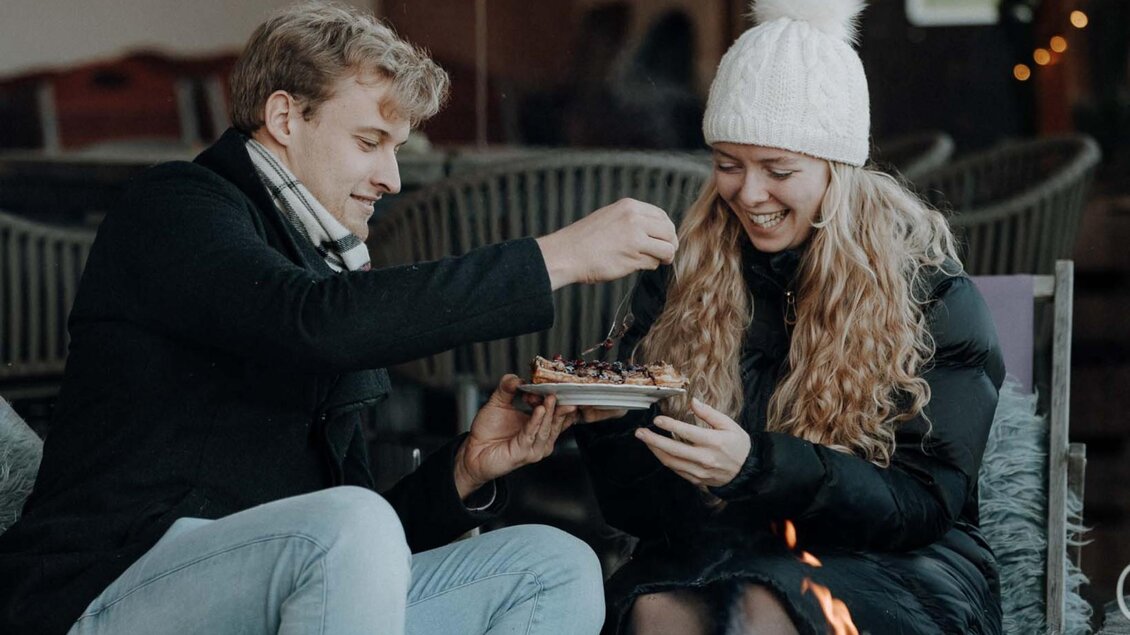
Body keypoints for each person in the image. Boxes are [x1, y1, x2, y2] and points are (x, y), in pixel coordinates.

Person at [0, 3, 681, 634]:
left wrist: (466, 469)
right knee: (351, 524)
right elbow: (312, 324)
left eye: (398, 148)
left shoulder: (329, 266)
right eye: (369, 140)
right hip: (103, 592)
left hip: (271, 584)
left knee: (553, 562)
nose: (392, 177)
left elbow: (360, 550)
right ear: (286, 117)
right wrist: (556, 257)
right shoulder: (178, 207)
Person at [574, 1, 1005, 633]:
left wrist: (757, 467)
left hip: (898, 561)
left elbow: (924, 501)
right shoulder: (684, 279)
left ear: (838, 171)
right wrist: (612, 430)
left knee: (768, 607)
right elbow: (648, 516)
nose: (749, 194)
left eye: (779, 170)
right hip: (728, 547)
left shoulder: (927, 293)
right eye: (728, 165)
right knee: (658, 609)